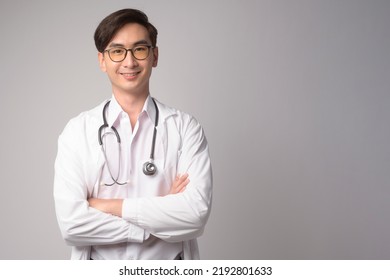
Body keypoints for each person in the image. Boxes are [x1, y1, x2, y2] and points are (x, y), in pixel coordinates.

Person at [53, 8, 212, 260]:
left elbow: (195, 215)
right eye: (117, 51)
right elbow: (72, 225)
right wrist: (157, 221)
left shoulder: (185, 128)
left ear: (154, 56)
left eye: (139, 49)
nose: (129, 62)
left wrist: (107, 206)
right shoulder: (77, 131)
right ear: (102, 61)